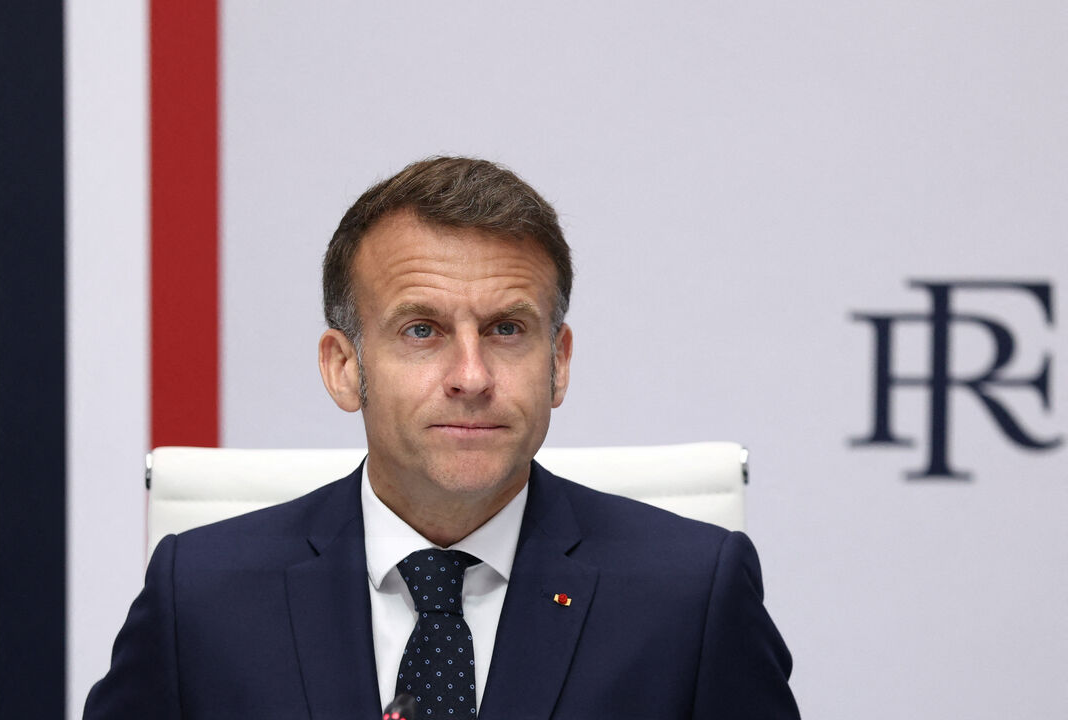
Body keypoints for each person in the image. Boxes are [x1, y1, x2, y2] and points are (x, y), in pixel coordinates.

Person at [84, 157, 800, 719]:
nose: (471, 375)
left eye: (507, 330)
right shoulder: (202, 596)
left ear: (558, 364)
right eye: (421, 331)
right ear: (344, 368)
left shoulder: (691, 594)